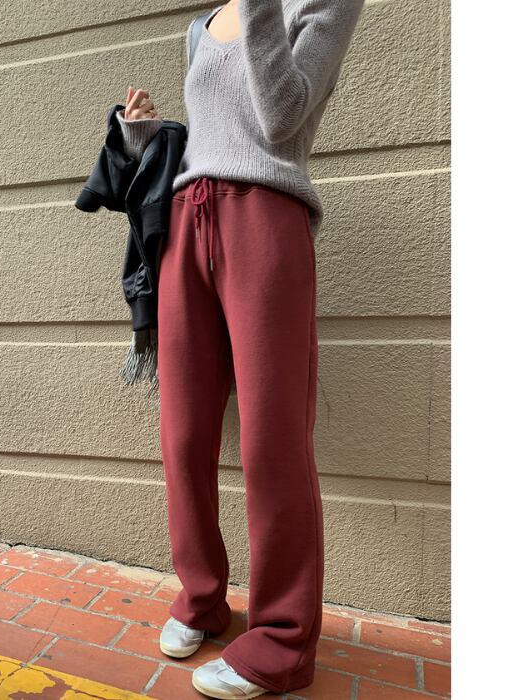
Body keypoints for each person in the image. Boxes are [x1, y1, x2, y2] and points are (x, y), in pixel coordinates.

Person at [115, 1, 365, 697]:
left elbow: (280, 119)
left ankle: (283, 640)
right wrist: (145, 137)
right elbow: (212, 136)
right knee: (183, 431)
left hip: (266, 218)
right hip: (185, 221)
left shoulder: (324, 3)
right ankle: (201, 597)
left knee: (272, 438)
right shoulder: (201, 25)